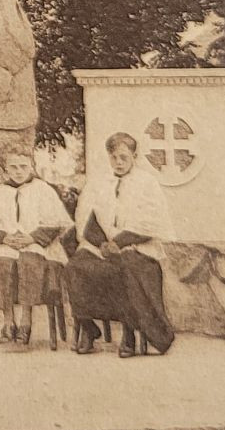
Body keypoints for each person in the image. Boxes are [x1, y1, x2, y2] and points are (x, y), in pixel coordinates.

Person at [67, 132, 176, 357]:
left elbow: (151, 220)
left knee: (124, 269)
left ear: (134, 156)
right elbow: (85, 215)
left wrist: (119, 242)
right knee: (76, 267)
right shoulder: (98, 182)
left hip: (137, 249)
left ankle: (129, 333)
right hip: (100, 246)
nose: (118, 162)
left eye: (124, 157)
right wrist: (102, 243)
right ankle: (88, 328)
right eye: (114, 157)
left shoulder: (147, 183)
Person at [0, 150, 74, 350]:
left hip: (37, 244)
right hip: (6, 243)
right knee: (3, 265)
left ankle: (26, 321)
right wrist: (4, 237)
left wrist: (32, 237)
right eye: (13, 167)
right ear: (6, 168)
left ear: (31, 166)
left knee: (28, 263)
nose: (18, 171)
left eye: (23, 166)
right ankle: (8, 321)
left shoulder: (43, 190)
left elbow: (55, 221)